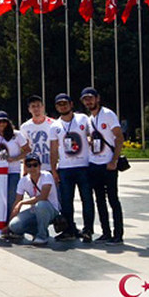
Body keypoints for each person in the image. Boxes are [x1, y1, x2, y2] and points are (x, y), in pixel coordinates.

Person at [81, 87, 125, 243]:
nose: (88, 101)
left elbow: (119, 138)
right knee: (99, 200)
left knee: (113, 199)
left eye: (91, 98)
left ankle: (118, 234)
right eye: (85, 99)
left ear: (97, 98)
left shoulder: (108, 114)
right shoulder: (89, 119)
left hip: (108, 164)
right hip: (94, 163)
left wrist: (114, 160)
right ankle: (106, 232)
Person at [49, 93, 94, 242]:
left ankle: (88, 230)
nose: (63, 106)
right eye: (59, 104)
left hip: (83, 166)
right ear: (56, 107)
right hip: (65, 168)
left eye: (65, 103)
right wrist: (54, 170)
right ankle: (69, 230)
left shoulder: (83, 118)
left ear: (71, 104)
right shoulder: (55, 126)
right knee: (66, 202)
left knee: (87, 199)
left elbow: (93, 135)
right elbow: (54, 149)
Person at [4, 155, 59, 246]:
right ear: (25, 167)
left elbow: (43, 197)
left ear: (40, 166)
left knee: (41, 205)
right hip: (35, 211)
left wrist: (22, 202)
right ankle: (38, 230)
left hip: (50, 209)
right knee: (14, 226)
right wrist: (8, 225)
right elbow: (17, 202)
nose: (32, 168)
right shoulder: (23, 181)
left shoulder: (46, 176)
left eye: (35, 165)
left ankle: (42, 236)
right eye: (29, 165)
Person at [0, 110, 31, 215]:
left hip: (13, 171)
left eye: (4, 121)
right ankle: (0, 221)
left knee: (12, 198)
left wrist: (16, 158)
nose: (1, 124)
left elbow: (27, 150)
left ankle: (11, 222)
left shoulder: (16, 135)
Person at [19, 95, 55, 167]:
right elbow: (25, 150)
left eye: (38, 106)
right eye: (33, 106)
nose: (36, 108)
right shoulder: (25, 127)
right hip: (33, 167)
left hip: (50, 166)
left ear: (43, 107)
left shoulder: (53, 124)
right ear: (29, 109)